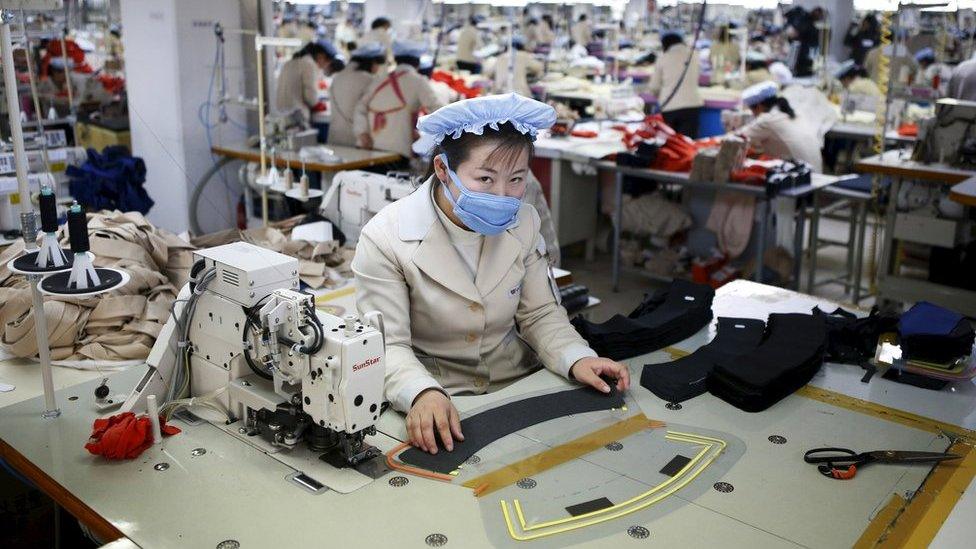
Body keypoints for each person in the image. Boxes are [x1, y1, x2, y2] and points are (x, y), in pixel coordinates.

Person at [351, 93, 630, 453]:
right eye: (485, 178)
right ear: (442, 169)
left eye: (516, 179)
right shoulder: (386, 237)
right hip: (437, 396)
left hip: (516, 381)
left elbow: (541, 314)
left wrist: (577, 356)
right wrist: (421, 392)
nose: (502, 195)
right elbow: (388, 346)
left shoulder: (525, 222)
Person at [354, 40, 445, 158]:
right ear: (417, 63)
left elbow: (360, 108)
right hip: (398, 152)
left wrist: (362, 133)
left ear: (396, 60)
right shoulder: (418, 81)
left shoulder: (379, 80)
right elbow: (439, 111)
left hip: (371, 149)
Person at [734, 81, 823, 172]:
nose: (753, 115)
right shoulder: (794, 114)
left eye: (752, 110)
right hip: (814, 173)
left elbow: (735, 138)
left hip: (798, 177)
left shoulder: (768, 120)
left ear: (759, 106)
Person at [328, 43, 385, 147]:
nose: (378, 68)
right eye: (377, 64)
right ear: (371, 63)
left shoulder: (338, 77)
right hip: (357, 139)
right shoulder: (369, 80)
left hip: (334, 137)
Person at [649, 30, 704, 138]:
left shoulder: (663, 58)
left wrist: (658, 95)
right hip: (692, 105)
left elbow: (654, 87)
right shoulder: (694, 55)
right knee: (687, 146)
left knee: (671, 146)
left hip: (670, 108)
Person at [275, 40, 344, 124]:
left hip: (281, 115)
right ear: (321, 56)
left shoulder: (290, 62)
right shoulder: (309, 64)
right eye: (328, 62)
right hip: (296, 117)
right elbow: (311, 98)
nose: (326, 66)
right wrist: (324, 106)